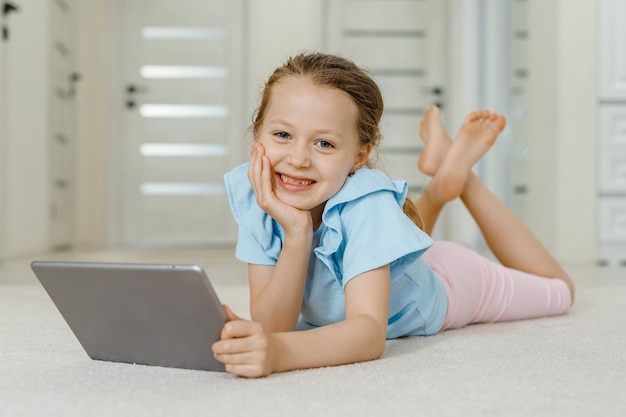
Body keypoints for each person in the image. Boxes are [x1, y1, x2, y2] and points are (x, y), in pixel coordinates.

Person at [212, 52, 575, 378]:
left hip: (448, 281)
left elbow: (369, 333)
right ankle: (442, 182)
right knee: (377, 240)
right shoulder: (256, 195)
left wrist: (279, 353)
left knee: (561, 292)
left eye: (324, 143)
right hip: (393, 263)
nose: (298, 159)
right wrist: (296, 233)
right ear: (256, 136)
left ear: (358, 156)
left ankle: (460, 180)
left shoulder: (367, 203)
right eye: (281, 134)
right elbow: (274, 325)